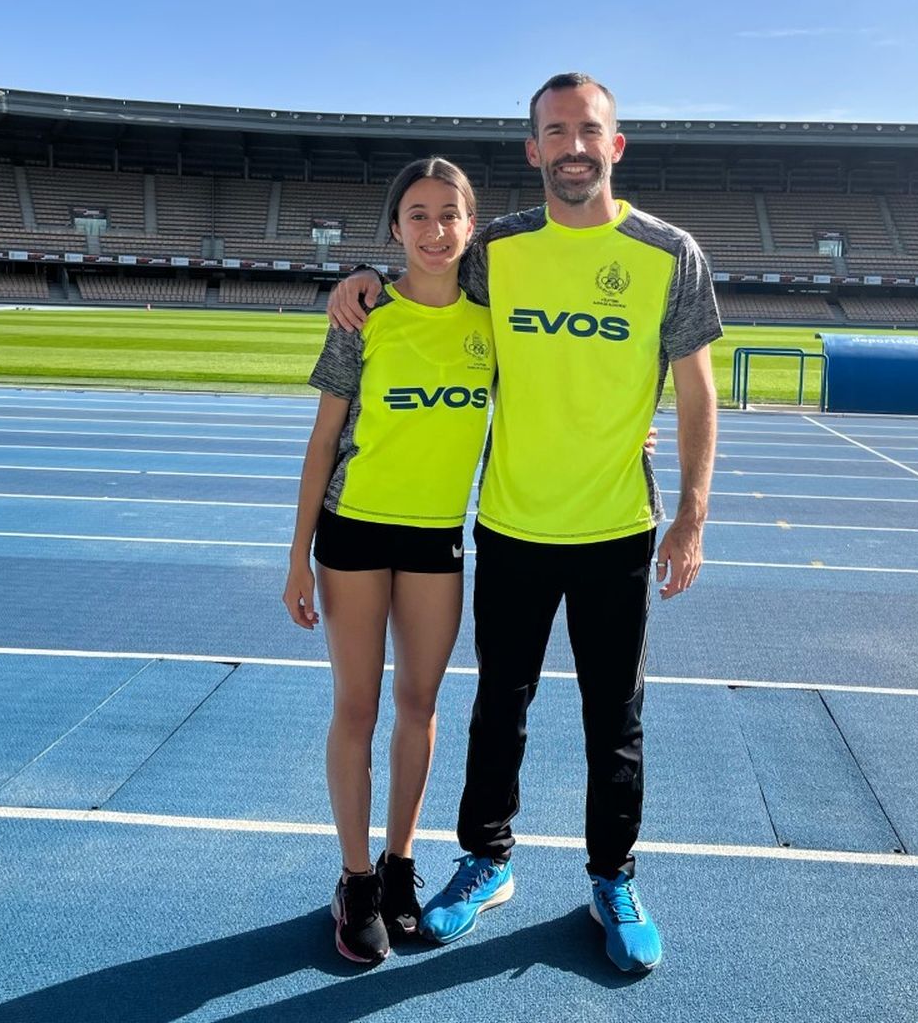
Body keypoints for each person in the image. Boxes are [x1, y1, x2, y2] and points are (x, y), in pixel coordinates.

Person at [326, 72, 721, 974]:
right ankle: (484, 860)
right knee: (498, 706)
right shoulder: (496, 249)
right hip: (508, 526)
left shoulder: (670, 252)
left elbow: (698, 392)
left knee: (613, 717)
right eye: (555, 131)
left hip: (619, 525)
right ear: (533, 149)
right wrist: (352, 279)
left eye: (589, 129)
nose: (573, 145)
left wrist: (691, 516)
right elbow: (418, 268)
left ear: (614, 145)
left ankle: (613, 878)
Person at [283, 157, 493, 966]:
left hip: (437, 537)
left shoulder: (492, 324)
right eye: (417, 214)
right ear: (395, 227)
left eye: (449, 214)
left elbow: (551, 395)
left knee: (419, 702)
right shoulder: (363, 319)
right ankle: (356, 877)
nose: (434, 230)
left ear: (470, 226)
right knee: (357, 709)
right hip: (353, 535)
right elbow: (322, 441)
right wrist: (296, 557)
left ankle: (402, 865)